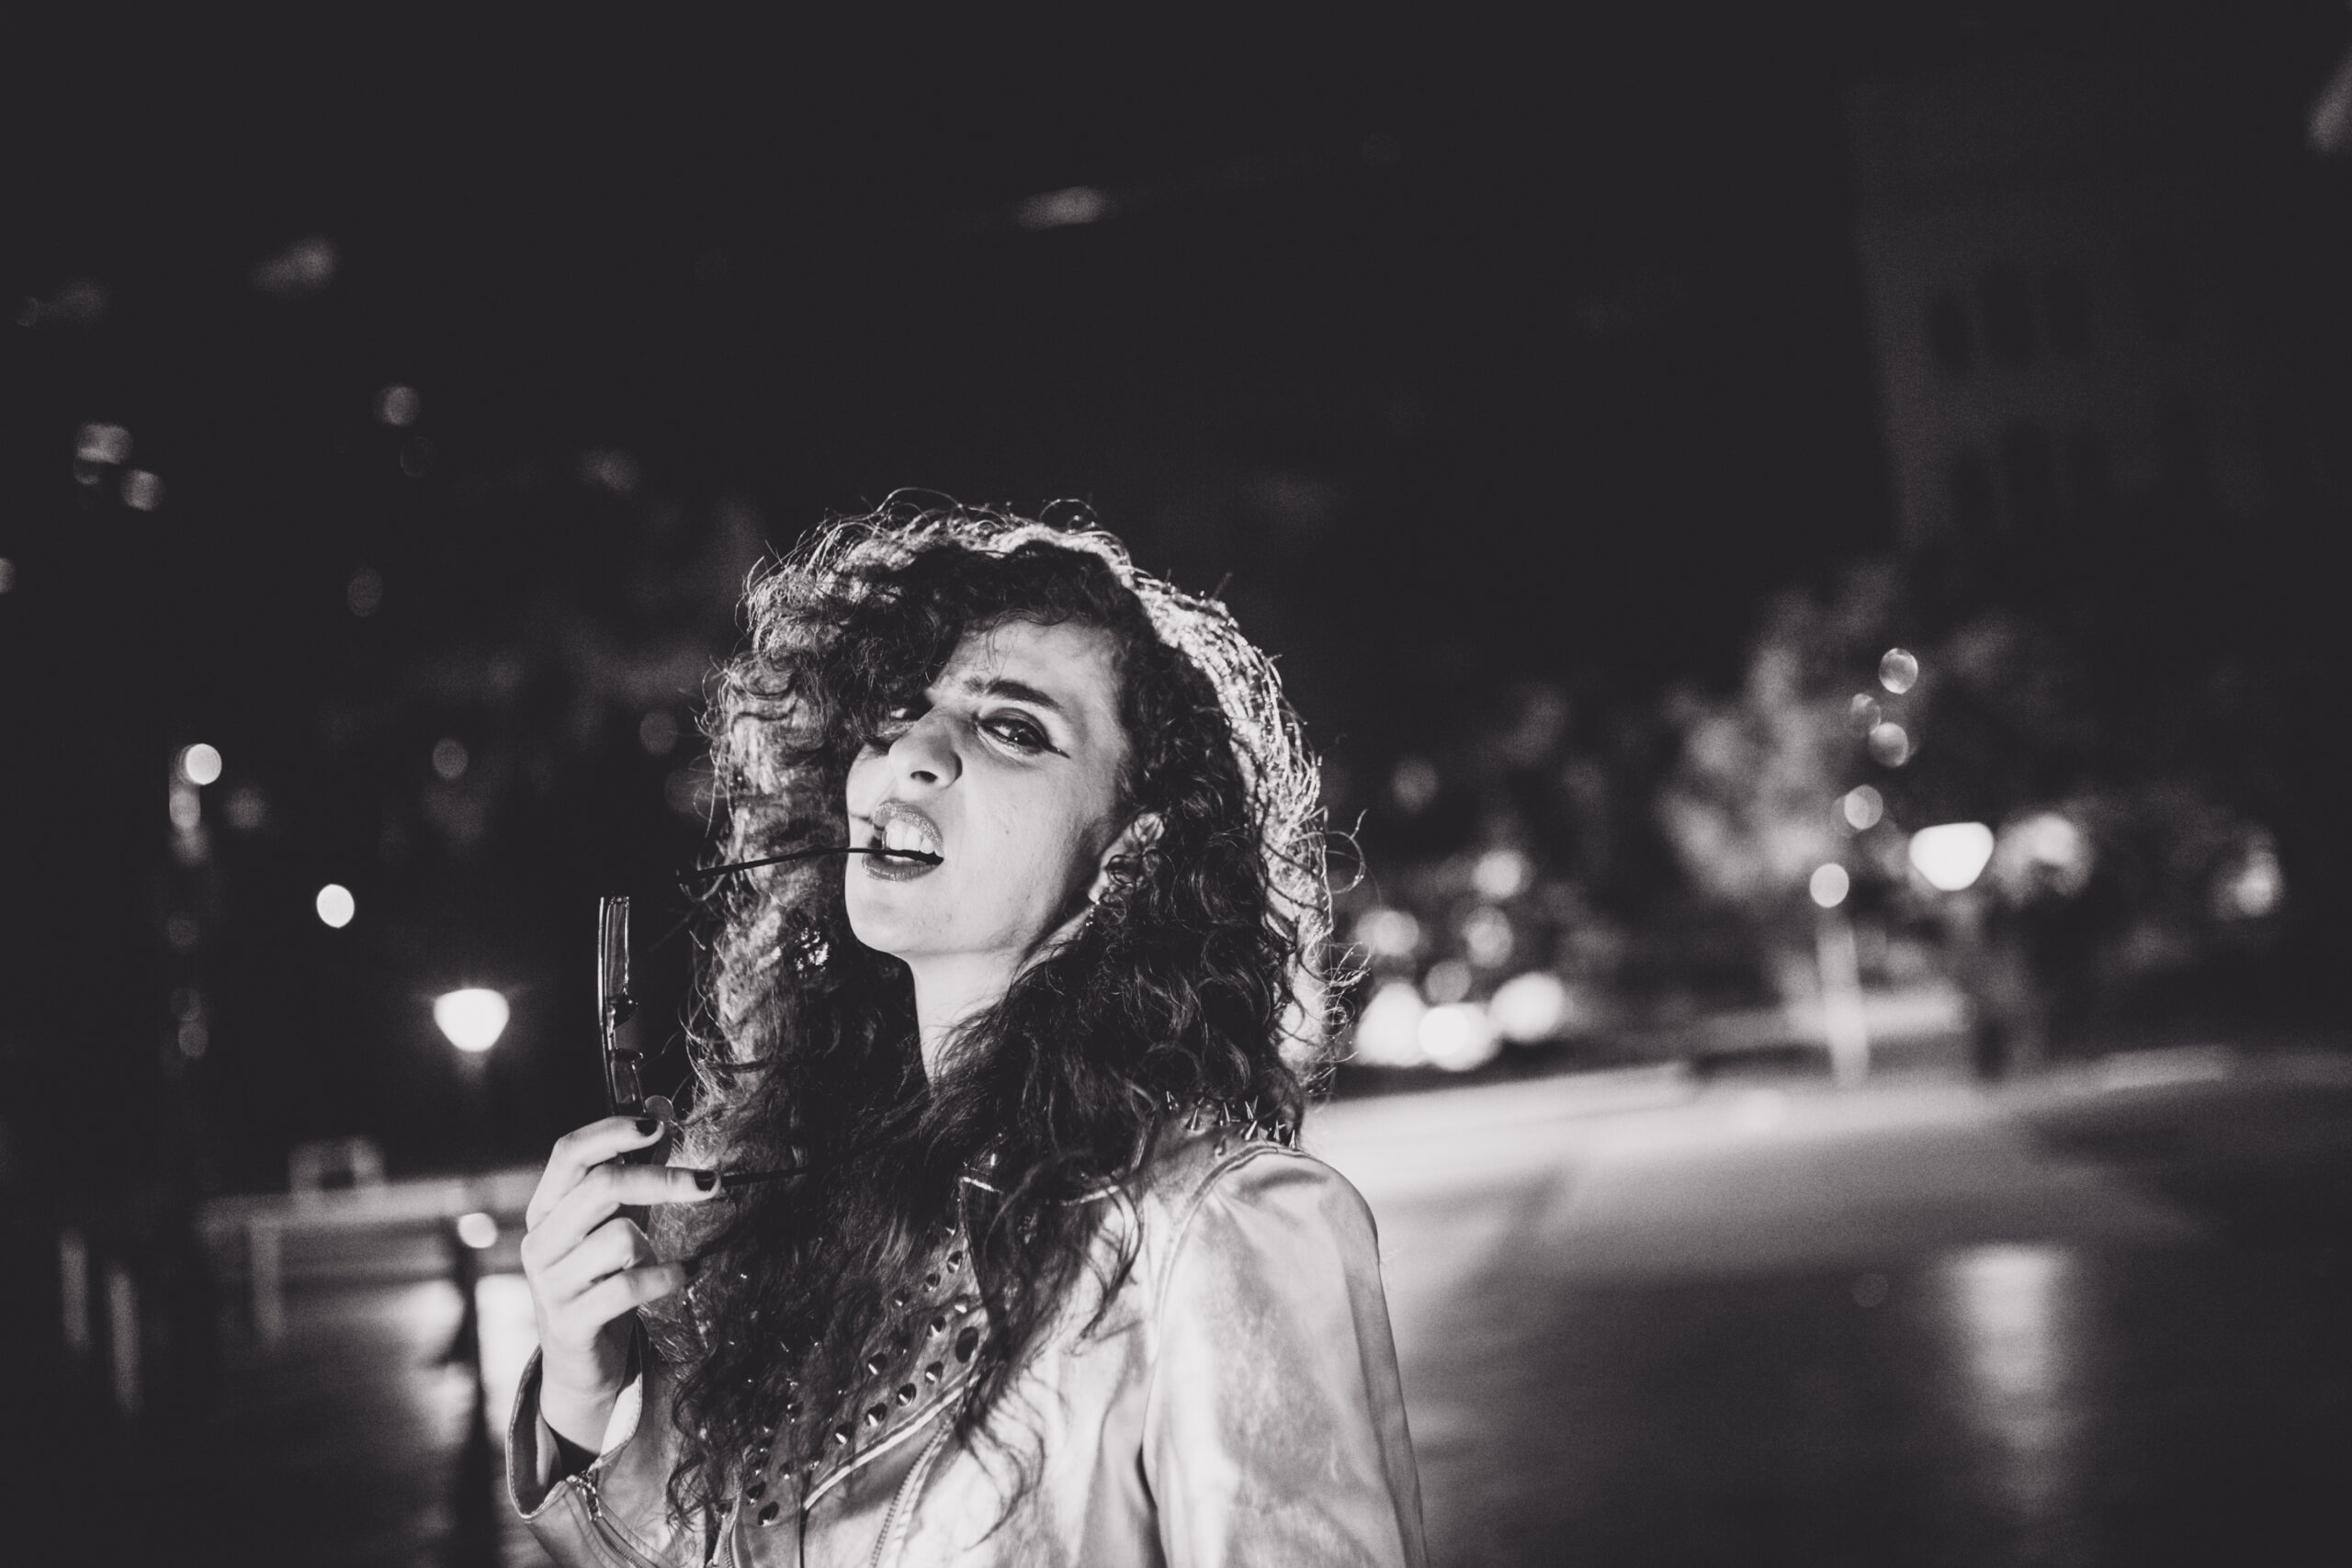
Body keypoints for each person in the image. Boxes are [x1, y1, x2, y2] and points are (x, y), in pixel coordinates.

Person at [509, 500, 1425, 1565]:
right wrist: (582, 1391)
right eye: (897, 710)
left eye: (1012, 729)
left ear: (1130, 851)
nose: (912, 751)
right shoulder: (782, 1229)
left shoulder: (1215, 1227)